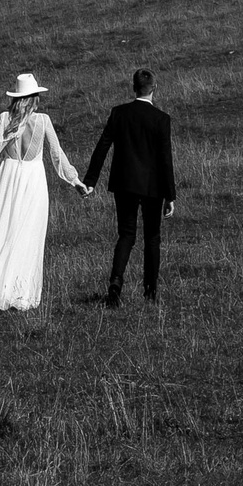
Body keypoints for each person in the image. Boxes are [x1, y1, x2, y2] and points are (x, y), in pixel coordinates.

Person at [0, 73, 90, 310]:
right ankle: (20, 293)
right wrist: (75, 181)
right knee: (29, 235)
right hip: (33, 180)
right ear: (35, 98)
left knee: (4, 232)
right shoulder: (42, 121)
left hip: (8, 178)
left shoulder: (4, 118)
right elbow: (56, 154)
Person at [83, 68, 177, 307]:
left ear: (133, 88)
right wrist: (170, 195)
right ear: (154, 89)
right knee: (152, 237)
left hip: (123, 184)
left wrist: (90, 181)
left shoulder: (119, 113)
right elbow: (166, 159)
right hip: (152, 186)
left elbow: (102, 146)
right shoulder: (161, 119)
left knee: (126, 235)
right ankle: (150, 291)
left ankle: (115, 282)